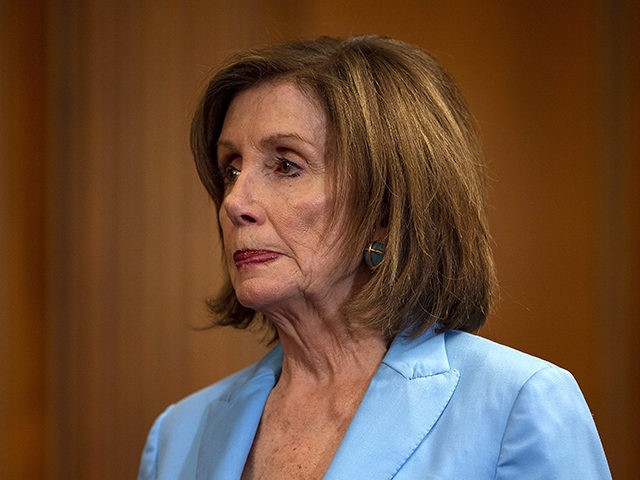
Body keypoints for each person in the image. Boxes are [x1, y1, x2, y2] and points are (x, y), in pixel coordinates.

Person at [138, 35, 611, 479]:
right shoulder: (179, 434)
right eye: (231, 168)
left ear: (385, 209)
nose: (234, 202)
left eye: (286, 165)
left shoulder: (517, 405)